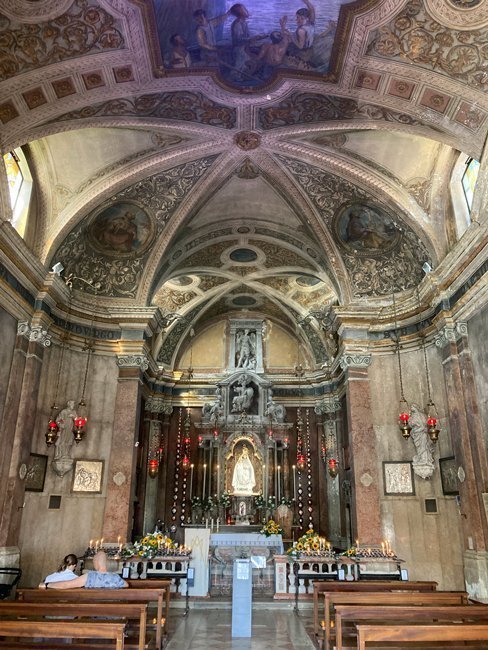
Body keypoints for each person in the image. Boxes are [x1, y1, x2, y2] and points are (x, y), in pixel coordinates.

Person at [39, 550, 128, 589]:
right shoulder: (115, 577)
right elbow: (126, 585)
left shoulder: (89, 576)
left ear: (95, 564)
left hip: (91, 612)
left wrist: (47, 585)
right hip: (112, 614)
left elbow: (67, 585)